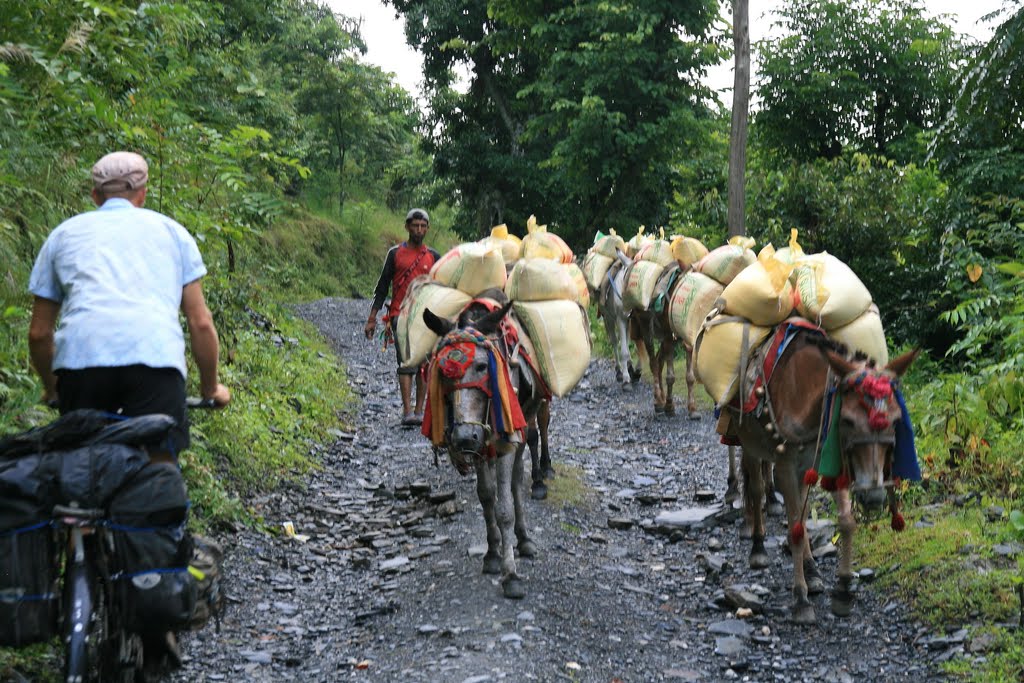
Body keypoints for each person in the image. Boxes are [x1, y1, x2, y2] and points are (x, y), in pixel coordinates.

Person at [27, 150, 231, 458]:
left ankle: (76, 505)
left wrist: (53, 388)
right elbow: (200, 322)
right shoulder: (173, 233)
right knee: (158, 463)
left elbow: (39, 333)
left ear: (95, 195)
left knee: (78, 468)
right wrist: (210, 390)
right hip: (155, 363)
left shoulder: (62, 236)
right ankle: (157, 488)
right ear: (143, 194)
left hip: (82, 365)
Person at [364, 208, 440, 426]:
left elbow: (444, 286)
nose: (419, 230)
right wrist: (372, 318)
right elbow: (382, 287)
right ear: (407, 227)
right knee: (406, 361)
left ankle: (419, 411)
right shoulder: (395, 254)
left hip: (426, 318)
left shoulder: (433, 256)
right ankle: (407, 411)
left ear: (427, 228)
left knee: (424, 363)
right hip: (400, 315)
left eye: (423, 226)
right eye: (415, 226)